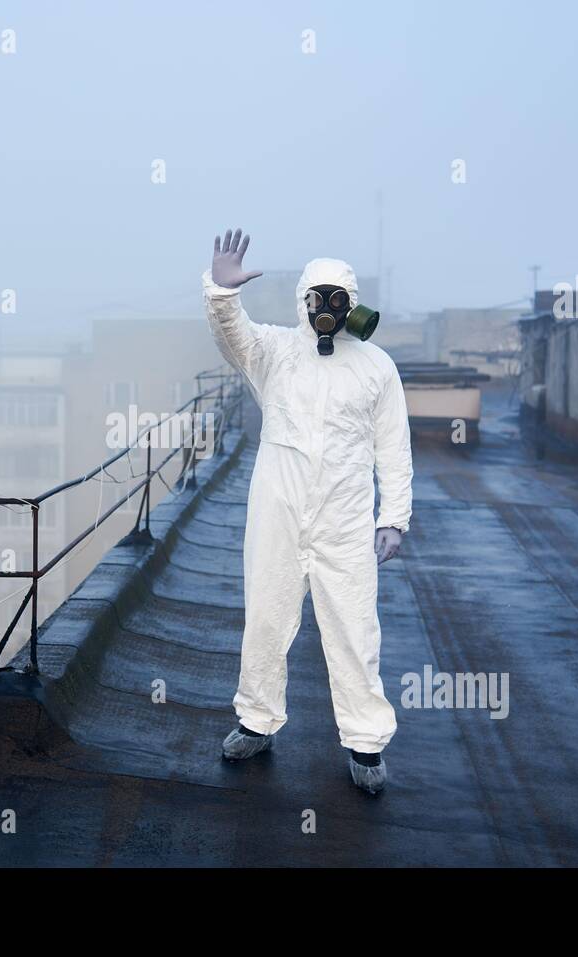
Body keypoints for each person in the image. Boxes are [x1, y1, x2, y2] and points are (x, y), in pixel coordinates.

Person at [202, 228, 413, 795]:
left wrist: (393, 516)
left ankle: (365, 743)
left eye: (335, 299)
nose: (326, 310)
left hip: (344, 519)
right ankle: (256, 721)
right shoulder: (273, 352)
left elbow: (393, 446)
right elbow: (232, 336)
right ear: (304, 301)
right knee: (266, 618)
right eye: (317, 298)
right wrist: (222, 294)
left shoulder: (376, 367)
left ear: (351, 302)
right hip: (278, 512)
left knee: (353, 628)